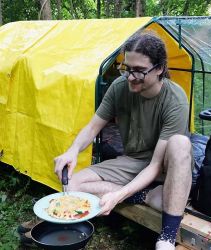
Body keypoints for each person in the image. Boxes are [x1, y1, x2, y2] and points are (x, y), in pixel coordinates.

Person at [53, 31, 193, 250]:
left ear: (159, 69)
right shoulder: (120, 87)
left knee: (180, 143)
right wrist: (72, 151)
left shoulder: (175, 99)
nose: (130, 77)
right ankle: (145, 195)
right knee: (70, 185)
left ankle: (166, 236)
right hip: (133, 161)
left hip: (163, 165)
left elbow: (155, 165)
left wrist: (118, 194)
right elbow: (92, 127)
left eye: (138, 71)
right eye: (127, 68)